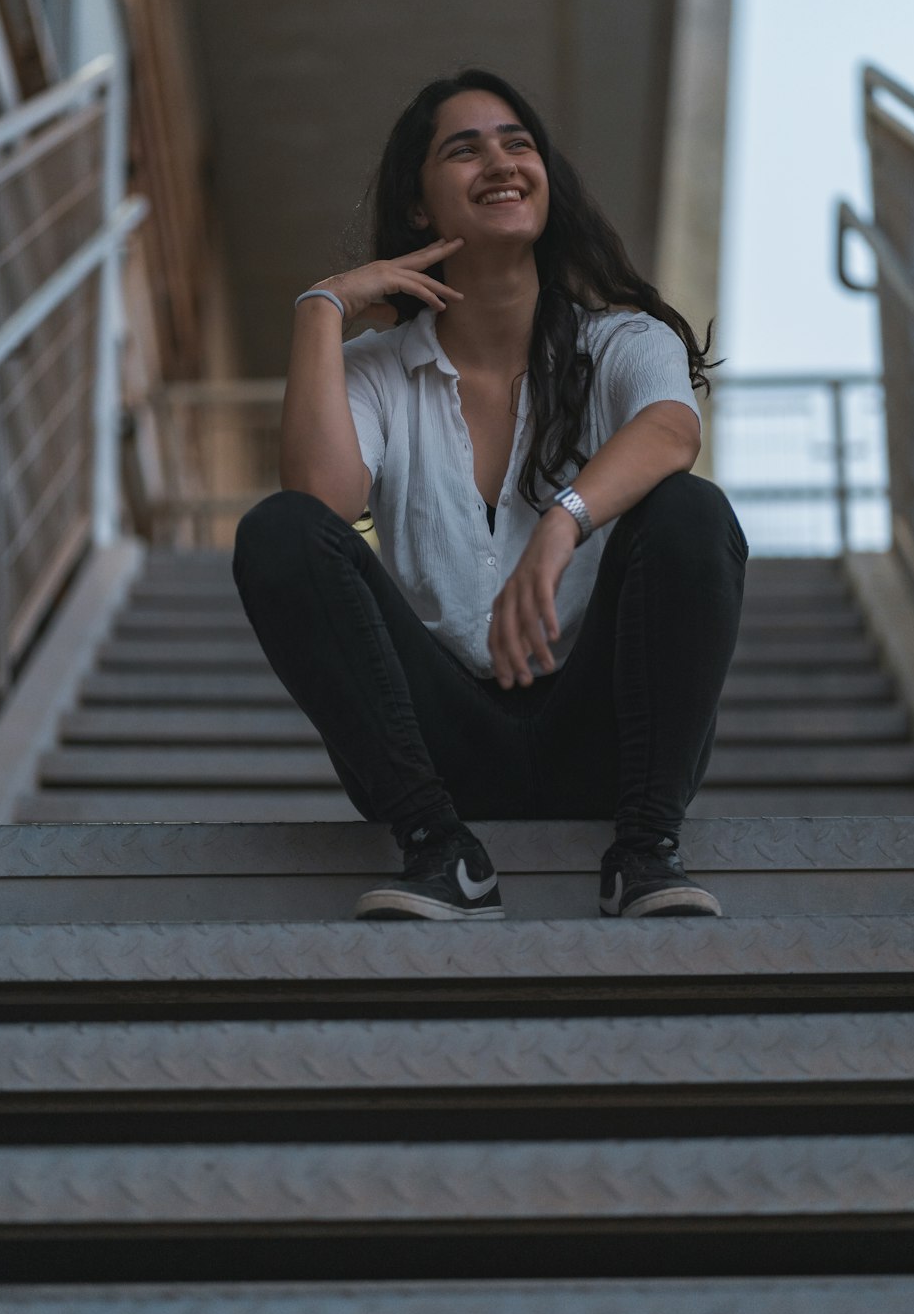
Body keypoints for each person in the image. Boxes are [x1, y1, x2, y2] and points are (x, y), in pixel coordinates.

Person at [232, 68, 749, 923]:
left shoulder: (623, 339)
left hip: (602, 732)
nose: (501, 162)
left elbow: (671, 432)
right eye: (463, 149)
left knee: (690, 512)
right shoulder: (377, 372)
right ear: (418, 208)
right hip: (440, 747)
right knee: (276, 531)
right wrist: (320, 309)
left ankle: (646, 850)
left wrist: (563, 521)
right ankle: (442, 852)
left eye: (518, 143)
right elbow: (322, 502)